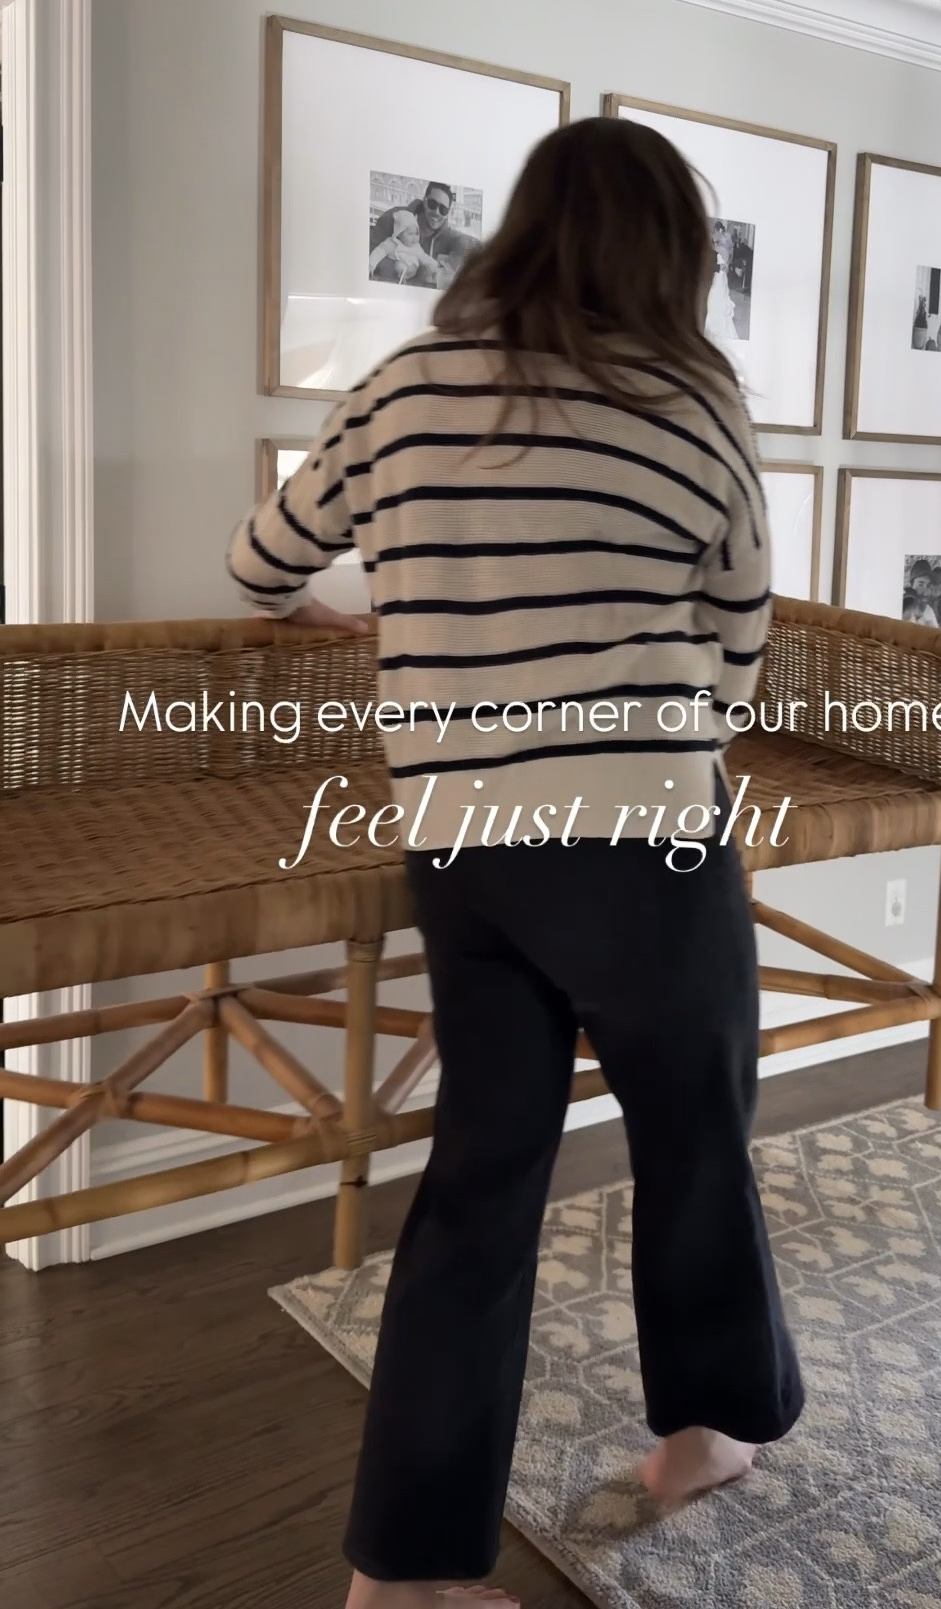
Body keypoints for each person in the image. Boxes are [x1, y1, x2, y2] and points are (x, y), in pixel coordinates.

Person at [227, 115, 804, 1609]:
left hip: (463, 840)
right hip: (644, 840)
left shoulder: (410, 388)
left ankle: (401, 1575)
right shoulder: (697, 403)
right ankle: (700, 1441)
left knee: (481, 1181)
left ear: (518, 228)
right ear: (671, 252)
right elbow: (739, 647)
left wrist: (390, 629)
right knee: (693, 1142)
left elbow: (260, 564)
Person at [369, 179, 477, 289]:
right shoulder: (394, 218)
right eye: (432, 204)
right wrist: (400, 270)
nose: (437, 212)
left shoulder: (447, 236)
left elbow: (470, 243)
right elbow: (369, 250)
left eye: (443, 209)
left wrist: (462, 248)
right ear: (425, 201)